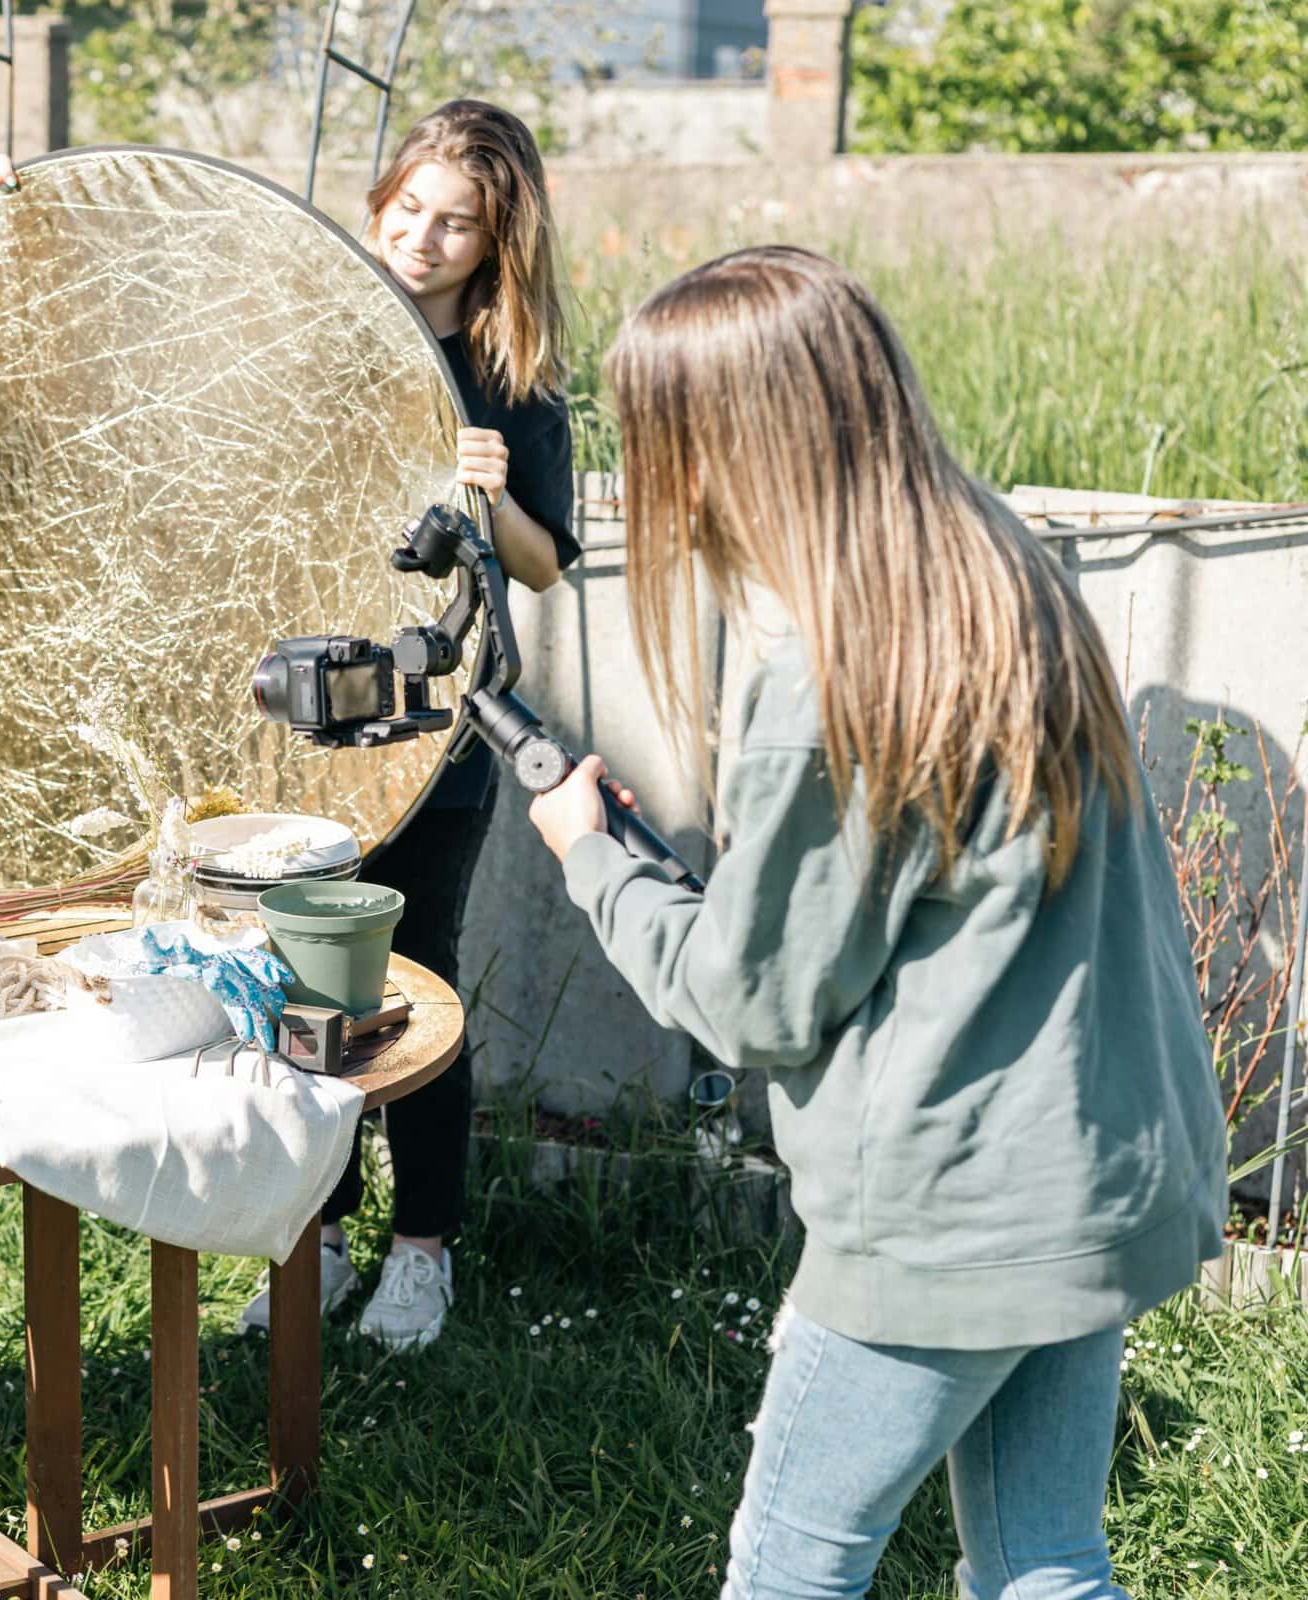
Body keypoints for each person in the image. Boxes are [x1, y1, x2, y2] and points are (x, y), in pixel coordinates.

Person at [528, 245, 1224, 1599]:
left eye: (667, 444)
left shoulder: (836, 676)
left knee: (792, 1563)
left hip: (955, 1211)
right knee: (1045, 1563)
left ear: (739, 443)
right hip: (1094, 1167)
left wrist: (596, 862)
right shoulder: (998, 572)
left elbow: (753, 1003)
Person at [0, 100, 579, 1352]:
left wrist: (489, 489)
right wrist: (30, 227)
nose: (422, 237)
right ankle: (317, 1236)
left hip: (433, 733)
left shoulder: (516, 388)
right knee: (296, 987)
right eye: (406, 209)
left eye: (454, 223)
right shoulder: (304, 333)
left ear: (498, 241)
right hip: (297, 731)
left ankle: (424, 1253)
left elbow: (547, 565)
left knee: (418, 985)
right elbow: (152, 354)